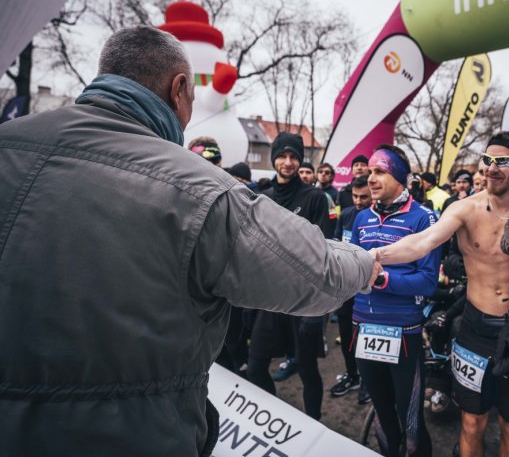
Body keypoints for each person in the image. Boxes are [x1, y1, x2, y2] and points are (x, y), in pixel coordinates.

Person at [0, 27, 378, 457]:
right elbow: (319, 274)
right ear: (179, 88)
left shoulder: (8, 143)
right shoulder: (200, 188)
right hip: (132, 436)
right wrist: (366, 263)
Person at [371, 131, 509, 457]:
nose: (492, 168)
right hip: (474, 329)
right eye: (488, 160)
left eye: (503, 161)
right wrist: (373, 256)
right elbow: (422, 242)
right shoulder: (464, 208)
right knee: (472, 422)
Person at [350, 144, 441, 457]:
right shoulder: (361, 218)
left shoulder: (425, 218)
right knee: (382, 410)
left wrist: (381, 279)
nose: (370, 177)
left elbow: (428, 282)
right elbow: (352, 268)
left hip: (403, 331)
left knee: (409, 415)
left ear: (400, 177)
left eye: (380, 171)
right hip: (364, 327)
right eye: (369, 171)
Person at [247, 132, 334, 421]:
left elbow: (323, 252)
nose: (287, 162)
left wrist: (315, 311)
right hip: (271, 299)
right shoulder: (264, 197)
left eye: (293, 156)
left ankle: (312, 423)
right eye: (282, 156)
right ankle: (277, 415)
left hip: (303, 300)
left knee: (307, 369)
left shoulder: (314, 198)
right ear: (273, 159)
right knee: (256, 364)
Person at [330, 175, 373, 404]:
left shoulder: (376, 219)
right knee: (346, 335)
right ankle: (352, 374)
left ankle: (368, 381)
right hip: (346, 287)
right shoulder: (346, 214)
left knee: (364, 338)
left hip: (368, 289)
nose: (358, 201)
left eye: (363, 196)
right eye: (355, 196)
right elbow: (336, 243)